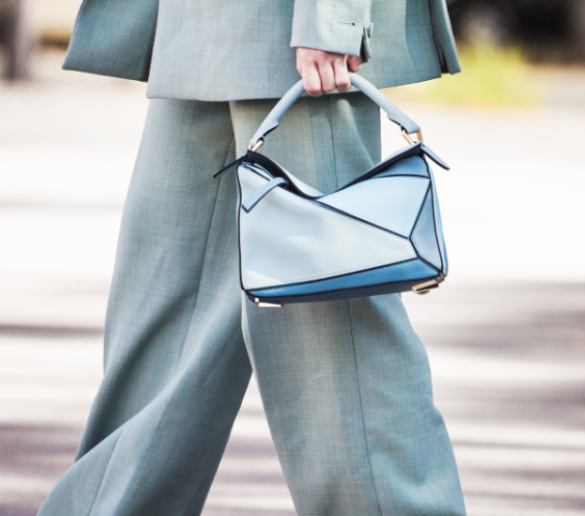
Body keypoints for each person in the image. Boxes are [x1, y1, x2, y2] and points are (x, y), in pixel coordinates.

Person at [37, 1, 466, 514]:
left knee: (340, 351)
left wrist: (331, 19)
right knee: (163, 346)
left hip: (287, 37)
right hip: (198, 32)